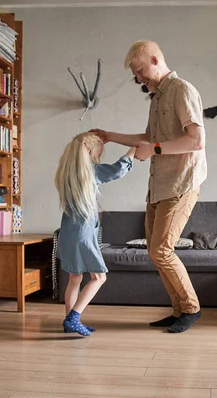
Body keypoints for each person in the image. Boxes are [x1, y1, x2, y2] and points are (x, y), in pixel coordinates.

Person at [92, 40, 207, 333]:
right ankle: (179, 310)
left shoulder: (182, 90)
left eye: (140, 71)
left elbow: (196, 141)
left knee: (162, 251)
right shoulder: (157, 98)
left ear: (155, 60)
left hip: (181, 183)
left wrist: (154, 150)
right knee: (156, 252)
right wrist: (109, 135)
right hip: (159, 185)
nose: (138, 78)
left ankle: (191, 309)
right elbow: (148, 137)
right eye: (135, 74)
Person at [55, 132, 135, 336]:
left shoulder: (66, 173)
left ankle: (69, 322)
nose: (99, 158)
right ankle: (73, 318)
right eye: (98, 154)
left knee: (75, 278)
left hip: (68, 233)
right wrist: (133, 149)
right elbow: (117, 170)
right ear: (89, 152)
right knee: (99, 277)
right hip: (82, 234)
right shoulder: (90, 172)